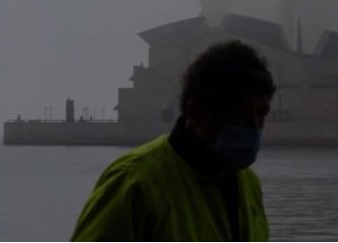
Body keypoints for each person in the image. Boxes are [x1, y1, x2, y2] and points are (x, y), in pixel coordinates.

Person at [71, 40, 277, 241]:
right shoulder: (135, 183)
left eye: (261, 114)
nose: (255, 126)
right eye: (239, 115)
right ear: (196, 112)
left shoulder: (248, 184)